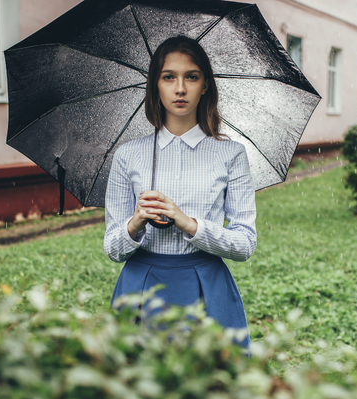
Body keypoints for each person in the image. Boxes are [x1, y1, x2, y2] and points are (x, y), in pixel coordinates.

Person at [103, 36, 256, 347]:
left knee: (210, 387)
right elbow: (112, 248)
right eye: (169, 76)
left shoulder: (231, 154)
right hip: (141, 286)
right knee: (139, 386)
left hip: (206, 285)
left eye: (192, 76)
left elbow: (245, 244)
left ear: (206, 86)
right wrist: (135, 224)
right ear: (156, 86)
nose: (180, 88)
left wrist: (190, 224)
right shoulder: (128, 155)